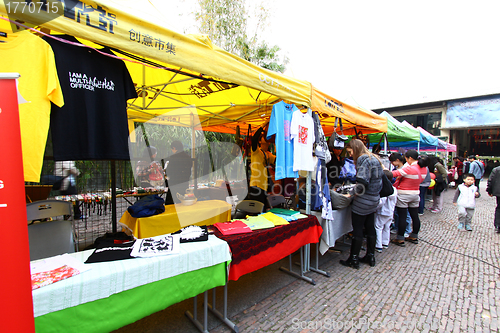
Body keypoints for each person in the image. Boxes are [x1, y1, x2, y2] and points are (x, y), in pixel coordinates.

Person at [339, 139, 383, 269]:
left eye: (350, 152)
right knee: (370, 228)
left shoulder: (363, 160)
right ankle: (370, 256)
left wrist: (351, 194)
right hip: (374, 199)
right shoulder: (375, 158)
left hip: (363, 201)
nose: (350, 155)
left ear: (355, 149)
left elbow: (362, 184)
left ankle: (353, 259)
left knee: (357, 230)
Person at [390, 150, 430, 247]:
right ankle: (414, 236)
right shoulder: (424, 169)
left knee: (402, 216)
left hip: (403, 194)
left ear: (410, 158)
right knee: (415, 216)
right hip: (416, 193)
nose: (406, 160)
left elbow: (392, 174)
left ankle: (400, 238)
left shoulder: (410, 168)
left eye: (406, 158)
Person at [245, 127, 275, 209]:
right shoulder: (256, 151)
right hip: (256, 186)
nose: (265, 137)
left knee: (263, 210)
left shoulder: (267, 154)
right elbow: (254, 139)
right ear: (260, 141)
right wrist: (261, 129)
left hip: (263, 186)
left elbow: (277, 160)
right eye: (263, 136)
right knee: (256, 211)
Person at [388, 153, 412, 236]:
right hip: (397, 191)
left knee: (405, 213)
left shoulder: (405, 168)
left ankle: (407, 230)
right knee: (397, 212)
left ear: (398, 160)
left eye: (392, 162)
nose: (392, 164)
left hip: (404, 192)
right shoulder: (397, 168)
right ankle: (397, 227)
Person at [374, 176, 397, 253]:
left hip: (383, 211)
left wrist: (375, 208)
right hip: (391, 212)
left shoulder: (384, 190)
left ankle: (378, 245)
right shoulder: (394, 189)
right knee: (387, 227)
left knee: (378, 227)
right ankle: (385, 242)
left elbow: (381, 202)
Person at [486, 165, 500, 233]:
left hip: (499, 192)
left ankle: (498, 225)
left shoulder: (496, 169)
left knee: (499, 208)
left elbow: (491, 180)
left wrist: (489, 190)